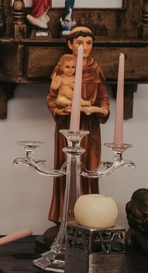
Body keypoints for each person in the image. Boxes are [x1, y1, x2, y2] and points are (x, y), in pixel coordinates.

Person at [45, 25, 109, 229]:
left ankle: (88, 219)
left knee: (88, 170)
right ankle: (64, 218)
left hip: (89, 127)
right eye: (80, 43)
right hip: (66, 128)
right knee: (66, 169)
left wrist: (103, 110)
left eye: (89, 43)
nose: (85, 47)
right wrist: (58, 110)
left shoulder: (95, 69)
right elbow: (52, 98)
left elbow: (103, 97)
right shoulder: (64, 67)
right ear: (70, 44)